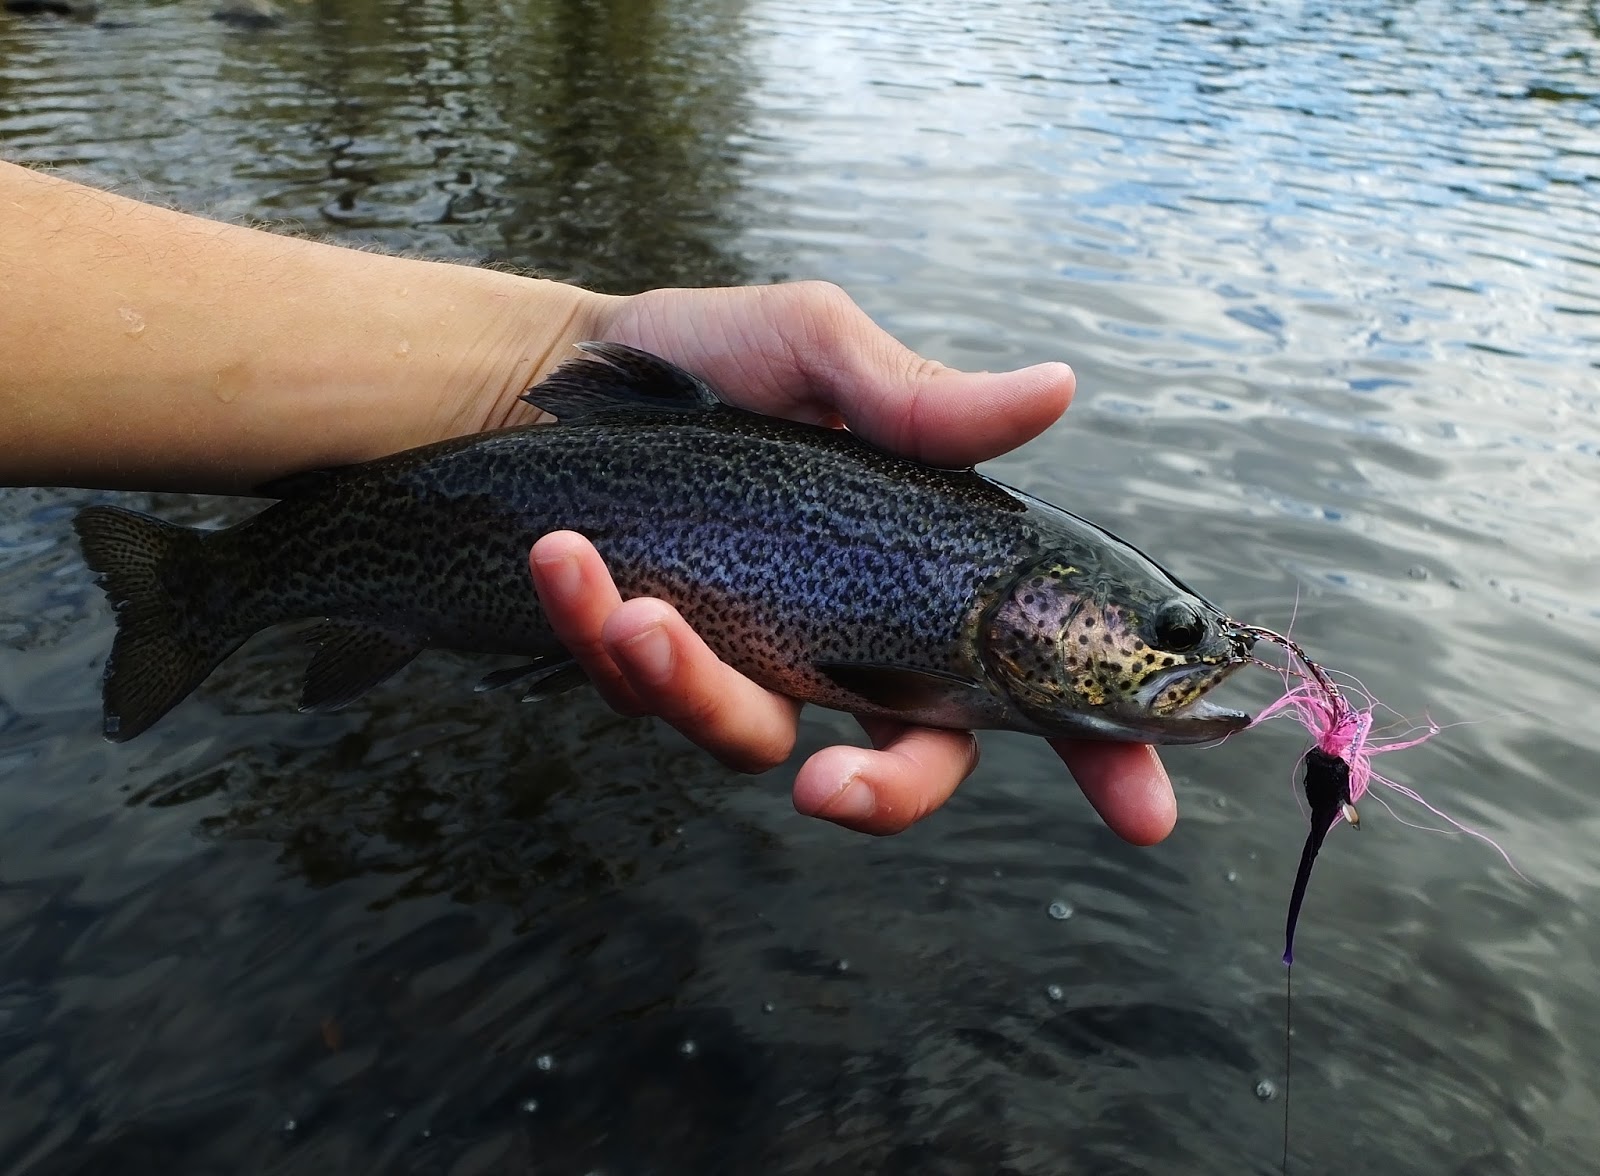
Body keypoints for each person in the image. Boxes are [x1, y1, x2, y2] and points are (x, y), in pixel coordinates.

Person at [0, 158, 1179, 844]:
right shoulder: (979, 642)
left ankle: (215, 589)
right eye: (1167, 633)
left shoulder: (993, 624)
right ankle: (203, 591)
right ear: (1053, 602)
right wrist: (573, 343)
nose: (1177, 651)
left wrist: (570, 341)